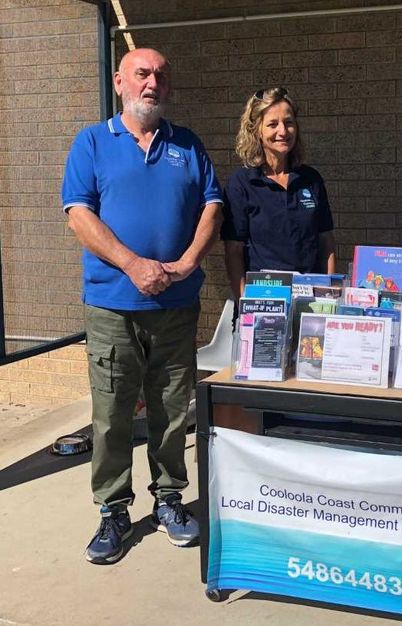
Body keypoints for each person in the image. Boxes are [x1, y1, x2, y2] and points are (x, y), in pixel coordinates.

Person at [62, 48, 223, 564]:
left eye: (160, 75)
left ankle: (170, 499)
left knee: (173, 411)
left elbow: (212, 206)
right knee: (111, 414)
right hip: (113, 306)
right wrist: (133, 264)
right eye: (142, 73)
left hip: (176, 305)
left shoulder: (188, 145)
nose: (152, 82)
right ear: (120, 82)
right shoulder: (91, 143)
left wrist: (184, 264)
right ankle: (113, 510)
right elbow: (78, 216)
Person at [222, 86, 335, 301]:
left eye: (289, 122)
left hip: (309, 298)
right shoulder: (242, 183)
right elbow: (233, 251)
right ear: (257, 130)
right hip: (263, 300)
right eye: (272, 124)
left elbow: (326, 241)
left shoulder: (311, 179)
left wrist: (328, 295)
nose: (282, 131)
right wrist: (245, 301)